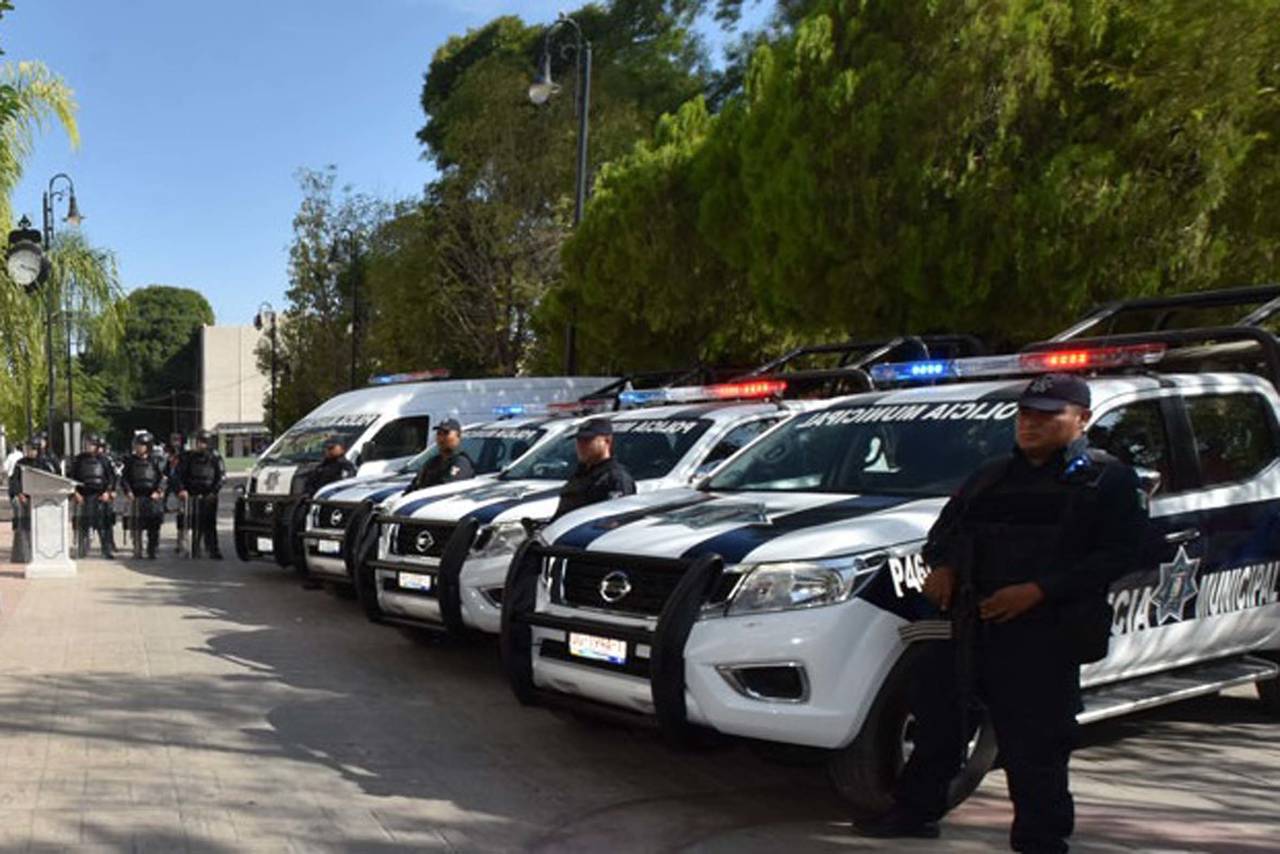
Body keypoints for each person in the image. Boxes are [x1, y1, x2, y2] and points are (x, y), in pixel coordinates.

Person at [857, 374, 1148, 853]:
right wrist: (944, 566)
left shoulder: (1106, 480)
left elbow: (1121, 554)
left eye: (1047, 415)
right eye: (1025, 415)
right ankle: (913, 812)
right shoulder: (992, 475)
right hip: (970, 624)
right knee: (938, 725)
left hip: (1043, 633)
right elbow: (944, 533)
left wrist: (1039, 590)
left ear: (1082, 420)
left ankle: (1040, 839)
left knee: (1036, 747)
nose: (1031, 424)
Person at [552, 418, 636, 521]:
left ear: (607, 441)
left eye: (588, 440)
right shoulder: (582, 474)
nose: (581, 446)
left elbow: (616, 521)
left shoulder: (615, 478)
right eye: (579, 440)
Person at [176, 430, 226, 559]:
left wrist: (214, 492)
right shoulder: (188, 457)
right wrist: (182, 489)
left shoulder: (215, 457)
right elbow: (179, 475)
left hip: (209, 495)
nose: (201, 445)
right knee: (190, 522)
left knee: (209, 523)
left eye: (204, 442)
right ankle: (192, 548)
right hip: (191, 495)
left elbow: (221, 477)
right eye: (199, 442)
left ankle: (212, 549)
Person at [8, 438, 59, 563]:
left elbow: (53, 479)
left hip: (41, 500)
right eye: (28, 449)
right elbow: (14, 481)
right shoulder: (20, 463)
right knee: (23, 527)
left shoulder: (46, 464)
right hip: (24, 499)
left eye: (33, 449)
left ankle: (45, 554)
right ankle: (23, 556)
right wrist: (19, 494)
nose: (30, 451)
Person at [119, 432, 167, 559]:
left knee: (153, 526)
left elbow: (163, 478)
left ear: (148, 446)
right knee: (136, 526)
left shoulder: (156, 461)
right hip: (136, 497)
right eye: (137, 445)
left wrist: (159, 491)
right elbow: (124, 479)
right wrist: (128, 491)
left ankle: (152, 550)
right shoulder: (130, 461)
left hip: (152, 497)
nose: (138, 448)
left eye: (141, 445)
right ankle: (137, 549)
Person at [69, 434, 117, 558]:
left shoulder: (104, 460)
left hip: (100, 497)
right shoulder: (79, 460)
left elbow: (111, 478)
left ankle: (106, 550)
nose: (88, 446)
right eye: (87, 444)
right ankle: (82, 550)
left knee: (103, 525)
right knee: (83, 524)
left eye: (91, 444)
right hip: (83, 497)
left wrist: (108, 491)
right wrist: (75, 493)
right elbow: (70, 478)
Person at [405, 418, 475, 492]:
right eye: (439, 433)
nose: (441, 437)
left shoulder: (461, 462)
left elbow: (445, 489)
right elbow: (415, 485)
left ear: (458, 437)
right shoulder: (432, 462)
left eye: (446, 433)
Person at [165, 433, 187, 554]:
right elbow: (166, 470)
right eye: (173, 440)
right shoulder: (170, 455)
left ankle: (183, 542)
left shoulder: (185, 456)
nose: (175, 442)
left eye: (177, 440)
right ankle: (179, 543)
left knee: (183, 515)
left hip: (182, 489)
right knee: (180, 515)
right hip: (172, 484)